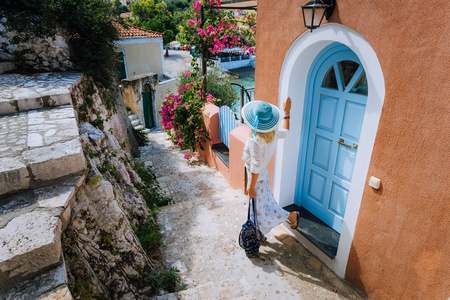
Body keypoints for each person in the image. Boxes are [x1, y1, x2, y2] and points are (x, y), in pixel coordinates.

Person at [241, 98, 299, 241]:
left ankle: (291, 216)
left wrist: (251, 186)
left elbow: (254, 165)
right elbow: (285, 131)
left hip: (257, 180)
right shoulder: (272, 133)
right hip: (262, 177)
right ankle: (259, 234)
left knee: (261, 210)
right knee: (262, 207)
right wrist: (287, 112)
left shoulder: (255, 141)